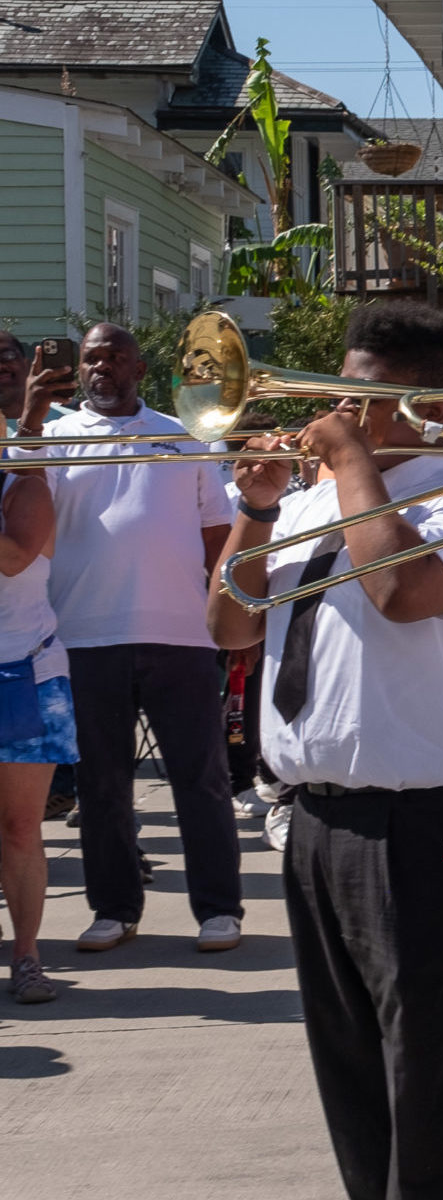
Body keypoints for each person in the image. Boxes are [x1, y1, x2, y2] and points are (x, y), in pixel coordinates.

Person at [208, 301, 443, 1199]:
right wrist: (256, 508)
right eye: (341, 392)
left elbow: (398, 590)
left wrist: (349, 462)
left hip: (425, 823)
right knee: (351, 1075)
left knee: (432, 1084)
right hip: (315, 819)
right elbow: (228, 623)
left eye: (369, 398)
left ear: (434, 408)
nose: (343, 414)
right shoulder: (312, 498)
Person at [23, 322, 244, 954]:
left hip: (182, 637)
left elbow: (216, 538)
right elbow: (23, 509)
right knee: (101, 786)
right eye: (92, 358)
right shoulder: (50, 436)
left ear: (139, 370)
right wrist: (33, 416)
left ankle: (219, 909)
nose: (102, 368)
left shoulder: (185, 437)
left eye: (116, 359)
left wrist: (227, 621)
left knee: (201, 780)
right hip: (82, 636)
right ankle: (114, 908)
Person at [0, 460, 70, 1003]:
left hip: (26, 672)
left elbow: (15, 556)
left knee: (20, 827)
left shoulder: (24, 488)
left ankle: (26, 956)